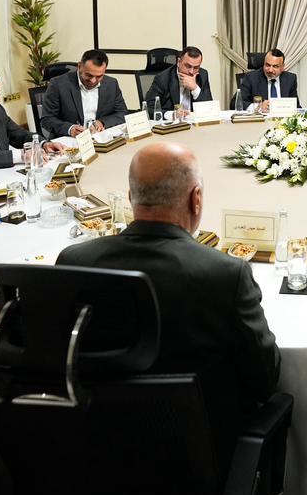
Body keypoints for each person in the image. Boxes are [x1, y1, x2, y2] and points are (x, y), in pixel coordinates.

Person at [56, 142, 280, 469]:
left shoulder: (74, 261)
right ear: (196, 198)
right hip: (199, 460)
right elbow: (264, 378)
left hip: (97, 453)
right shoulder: (225, 274)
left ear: (131, 197)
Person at [40, 49, 129, 138]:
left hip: (100, 137)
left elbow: (122, 113)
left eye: (99, 76)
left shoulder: (111, 84)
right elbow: (47, 119)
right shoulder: (58, 84)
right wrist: (70, 129)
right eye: (89, 75)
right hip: (69, 139)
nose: (93, 81)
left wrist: (102, 122)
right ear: (79, 66)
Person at [145, 45, 214, 118]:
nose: (191, 71)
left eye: (196, 67)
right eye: (188, 66)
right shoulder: (163, 78)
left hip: (194, 121)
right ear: (178, 62)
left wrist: (195, 88)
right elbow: (148, 109)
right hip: (172, 123)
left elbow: (210, 109)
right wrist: (173, 115)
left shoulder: (202, 75)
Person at [236, 48, 299, 113]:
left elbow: (296, 106)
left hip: (283, 117)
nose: (270, 70)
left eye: (275, 66)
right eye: (268, 65)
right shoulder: (251, 78)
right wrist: (258, 106)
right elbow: (235, 103)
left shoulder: (290, 79)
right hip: (261, 118)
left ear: (282, 67)